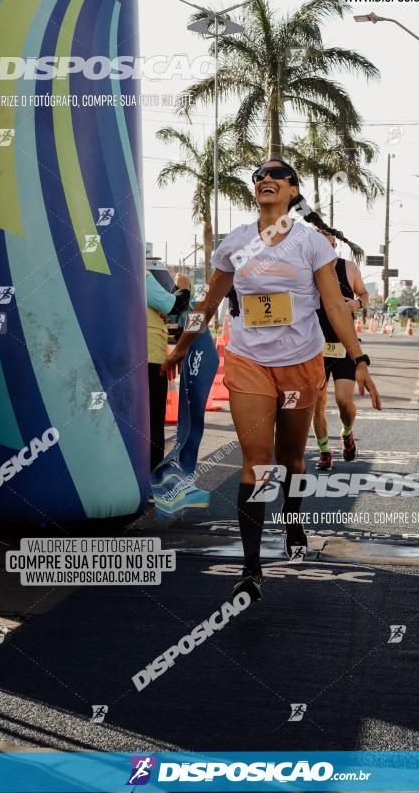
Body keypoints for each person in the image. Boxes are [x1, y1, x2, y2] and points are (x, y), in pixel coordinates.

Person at [162, 158, 381, 602]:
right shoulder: (237, 242)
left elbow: (335, 306)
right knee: (257, 462)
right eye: (258, 176)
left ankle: (293, 518)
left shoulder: (311, 243)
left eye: (275, 175)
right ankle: (250, 567)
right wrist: (182, 347)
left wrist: (359, 357)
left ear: (293, 190)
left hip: (301, 362)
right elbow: (209, 302)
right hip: (248, 362)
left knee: (292, 462)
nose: (264, 179)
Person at [313, 233, 369, 470]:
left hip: (344, 344)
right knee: (318, 402)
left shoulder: (349, 268)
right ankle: (325, 451)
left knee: (344, 401)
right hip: (316, 346)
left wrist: (355, 304)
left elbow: (365, 295)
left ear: (335, 247)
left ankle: (346, 433)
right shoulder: (307, 271)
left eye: (329, 244)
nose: (325, 248)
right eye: (319, 243)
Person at [147, 272, 190, 473]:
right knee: (155, 421)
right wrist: (185, 285)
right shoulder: (139, 271)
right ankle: (152, 475)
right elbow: (175, 306)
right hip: (151, 358)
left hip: (126, 357)